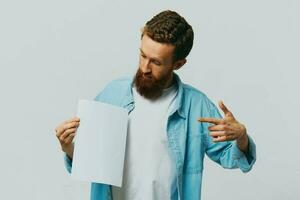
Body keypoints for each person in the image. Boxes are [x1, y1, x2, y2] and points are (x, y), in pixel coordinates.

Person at [55, 10, 256, 200]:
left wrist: (241, 137)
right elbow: (91, 161)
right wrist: (69, 147)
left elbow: (231, 157)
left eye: (156, 62)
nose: (144, 67)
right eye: (142, 55)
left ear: (178, 64)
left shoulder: (197, 106)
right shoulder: (112, 94)